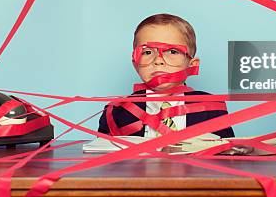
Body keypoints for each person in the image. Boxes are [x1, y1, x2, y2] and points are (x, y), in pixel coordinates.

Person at [98, 13, 234, 138]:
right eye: (147, 52)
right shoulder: (116, 112)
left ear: (192, 64)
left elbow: (228, 155)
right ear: (135, 63)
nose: (158, 60)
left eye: (173, 51)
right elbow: (102, 156)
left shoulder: (212, 108)